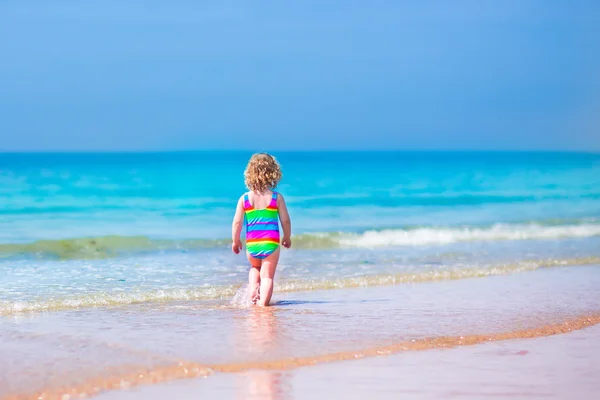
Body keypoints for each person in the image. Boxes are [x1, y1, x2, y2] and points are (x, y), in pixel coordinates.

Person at [231, 153, 292, 306]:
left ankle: (253, 290)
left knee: (254, 268)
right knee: (267, 277)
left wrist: (235, 240)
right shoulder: (276, 198)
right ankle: (263, 304)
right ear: (273, 173)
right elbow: (285, 220)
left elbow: (237, 222)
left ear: (249, 173)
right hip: (270, 244)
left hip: (252, 245)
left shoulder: (245, 198)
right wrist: (287, 237)